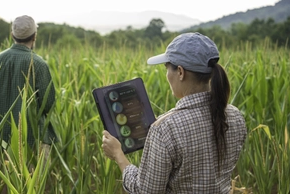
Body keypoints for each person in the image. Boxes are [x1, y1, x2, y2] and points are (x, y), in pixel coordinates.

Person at [102, 32, 247, 193]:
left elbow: (146, 191)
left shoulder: (165, 129)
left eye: (167, 68)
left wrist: (118, 155)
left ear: (180, 72)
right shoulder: (235, 116)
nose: (166, 75)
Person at [0, 15, 57, 155]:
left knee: (3, 177)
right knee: (34, 177)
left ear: (12, 35)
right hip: (33, 141)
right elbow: (48, 104)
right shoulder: (39, 64)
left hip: (1, 142)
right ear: (34, 36)